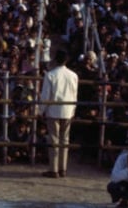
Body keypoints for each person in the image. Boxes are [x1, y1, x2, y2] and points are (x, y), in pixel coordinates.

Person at [39, 48, 79, 178]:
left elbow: (46, 96)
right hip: (68, 110)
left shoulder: (50, 75)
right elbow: (74, 95)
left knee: (54, 140)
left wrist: (41, 110)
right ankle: (63, 168)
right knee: (65, 140)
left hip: (54, 110)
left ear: (56, 60)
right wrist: (73, 110)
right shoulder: (74, 75)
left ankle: (54, 169)